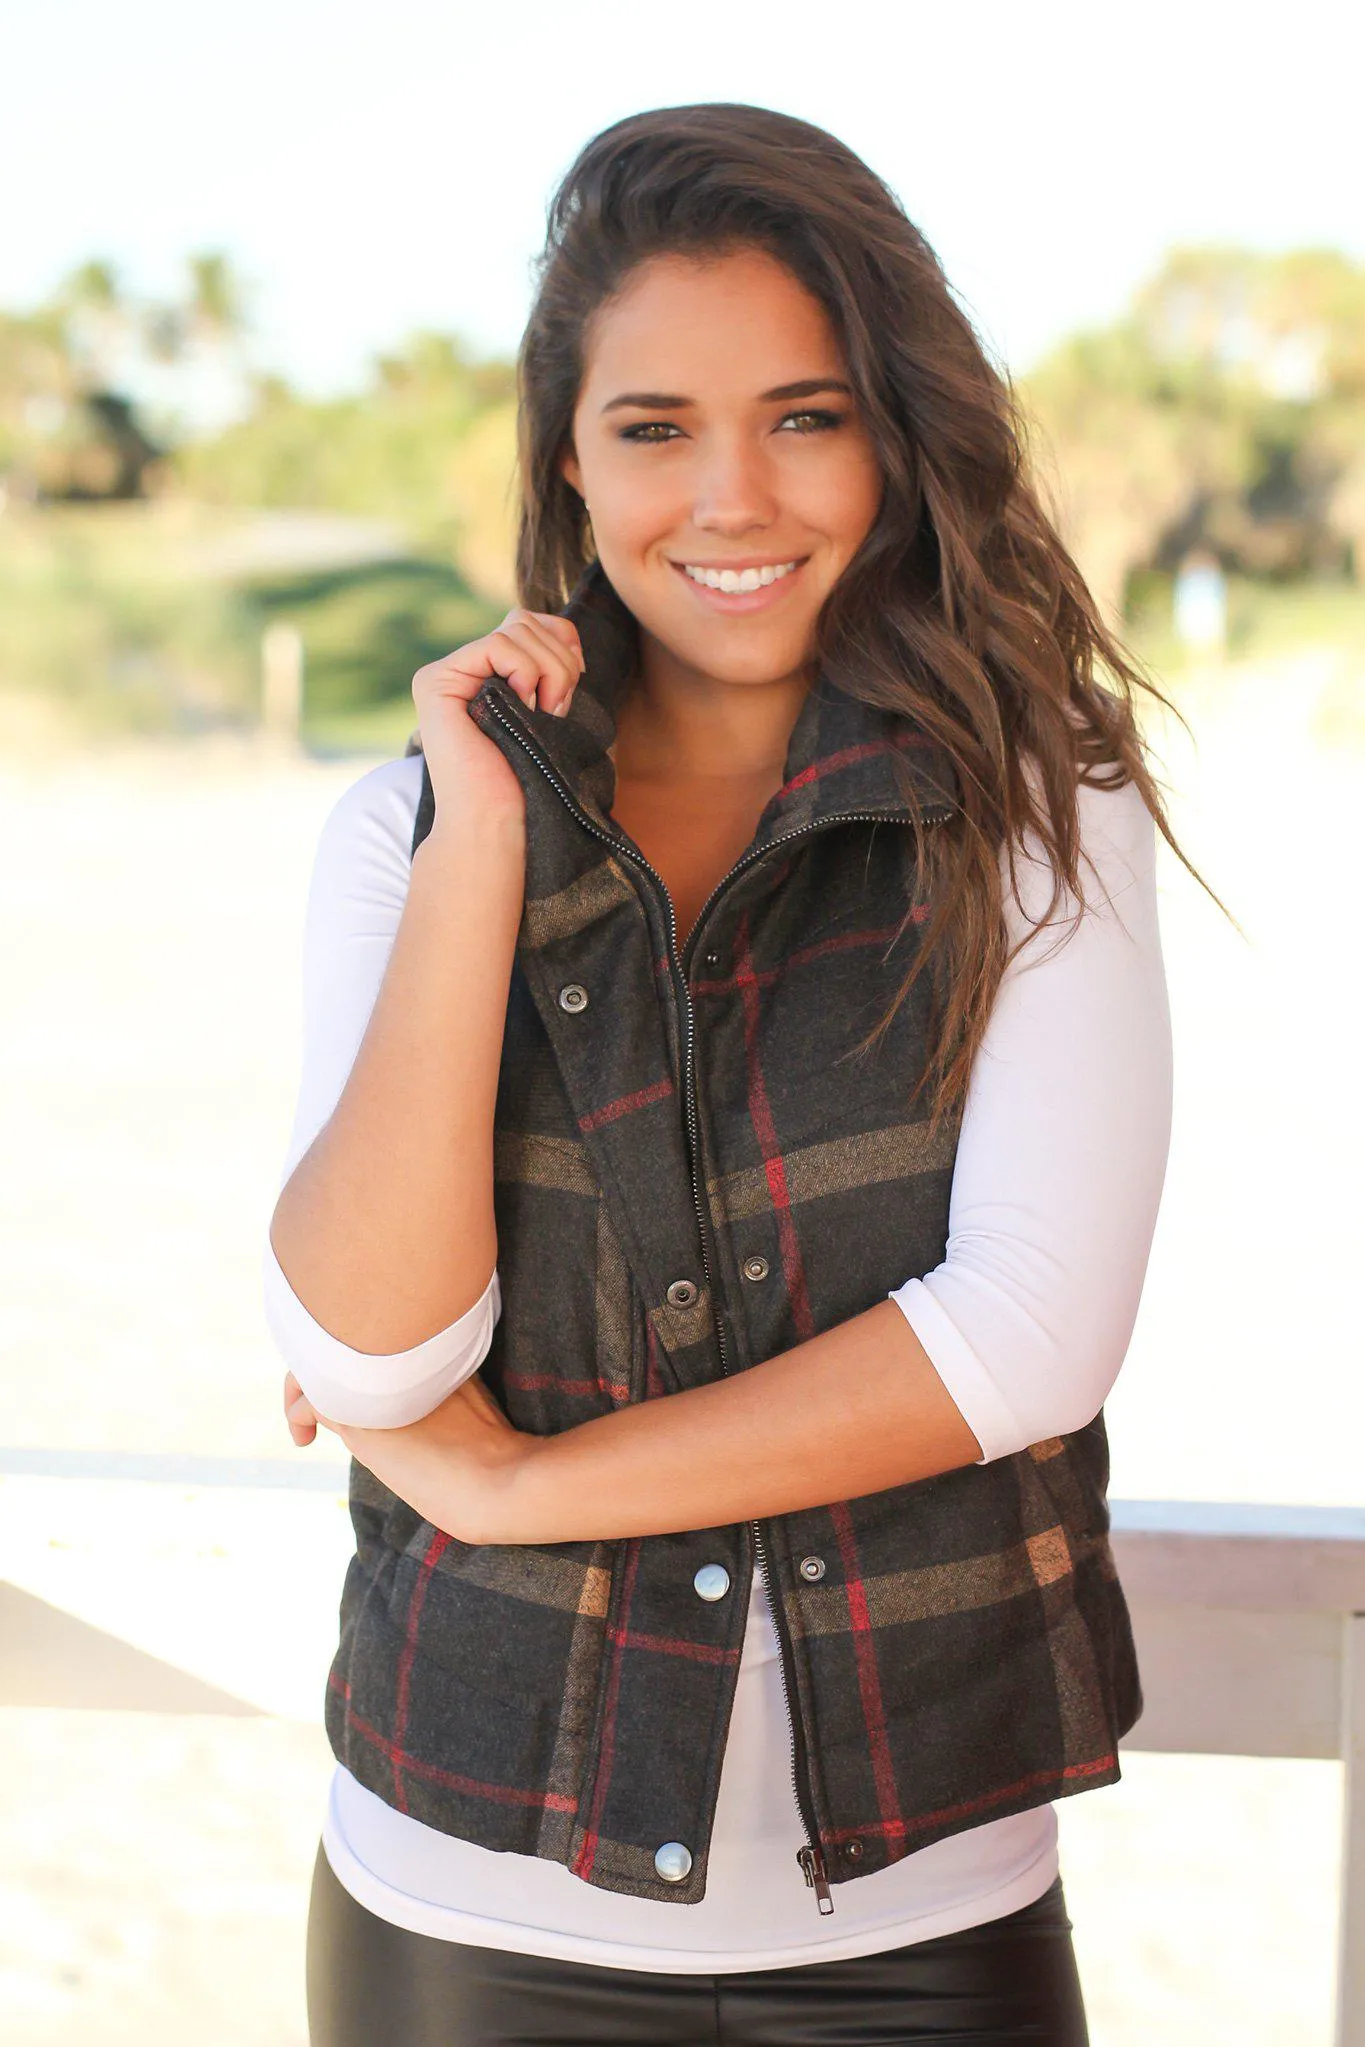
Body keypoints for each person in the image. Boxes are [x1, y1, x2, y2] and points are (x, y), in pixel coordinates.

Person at [265, 103, 1201, 2047]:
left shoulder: (1042, 815)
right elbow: (368, 1359)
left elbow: (1028, 1333)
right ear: (569, 461)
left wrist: (518, 1492)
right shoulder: (406, 832)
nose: (731, 497)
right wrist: (483, 845)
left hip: (924, 1925)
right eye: (652, 427)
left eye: (803, 414)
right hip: (459, 1907)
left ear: (893, 431)